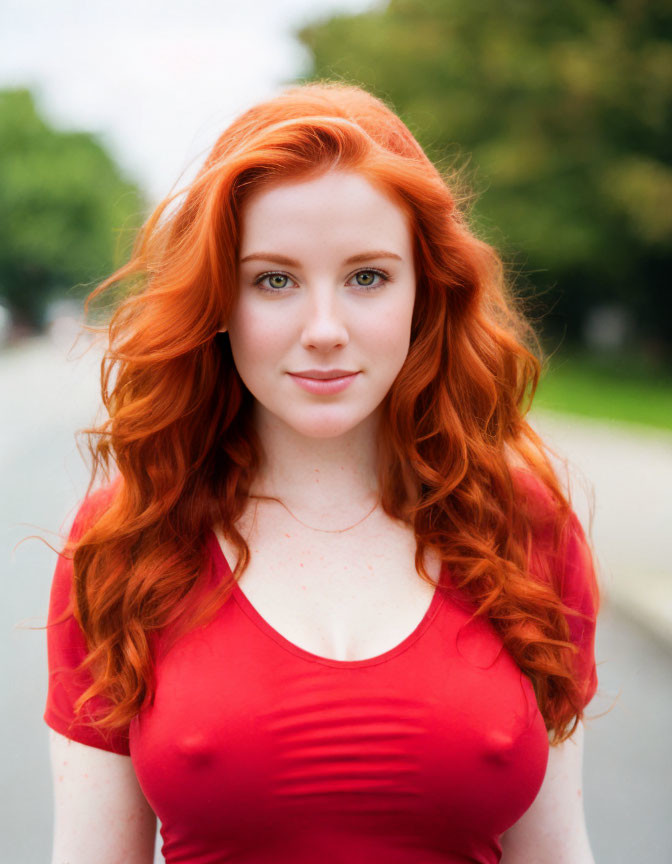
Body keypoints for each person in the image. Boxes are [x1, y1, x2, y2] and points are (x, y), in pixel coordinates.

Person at [44, 81, 601, 864]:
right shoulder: (124, 540)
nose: (325, 331)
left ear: (426, 290)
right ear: (219, 301)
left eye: (367, 276)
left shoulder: (525, 525)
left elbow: (559, 849)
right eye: (274, 280)